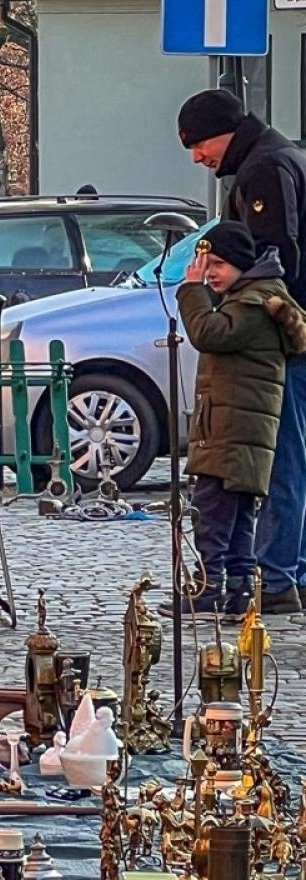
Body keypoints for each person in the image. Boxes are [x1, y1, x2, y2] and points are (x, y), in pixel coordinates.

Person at [179, 90, 306, 614]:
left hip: (275, 344)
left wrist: (251, 308)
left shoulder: (264, 168)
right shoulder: (279, 155)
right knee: (286, 453)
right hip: (286, 332)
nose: (197, 157)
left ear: (224, 132)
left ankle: (276, 577)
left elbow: (278, 251)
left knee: (279, 456)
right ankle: (284, 572)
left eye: (199, 145)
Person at [161, 223, 306, 617]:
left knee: (210, 514)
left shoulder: (253, 305)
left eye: (218, 264)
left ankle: (208, 587)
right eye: (204, 264)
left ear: (242, 264)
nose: (209, 273)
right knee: (238, 517)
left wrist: (191, 290)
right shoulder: (253, 298)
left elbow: (209, 334)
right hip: (237, 430)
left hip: (231, 432)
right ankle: (241, 590)